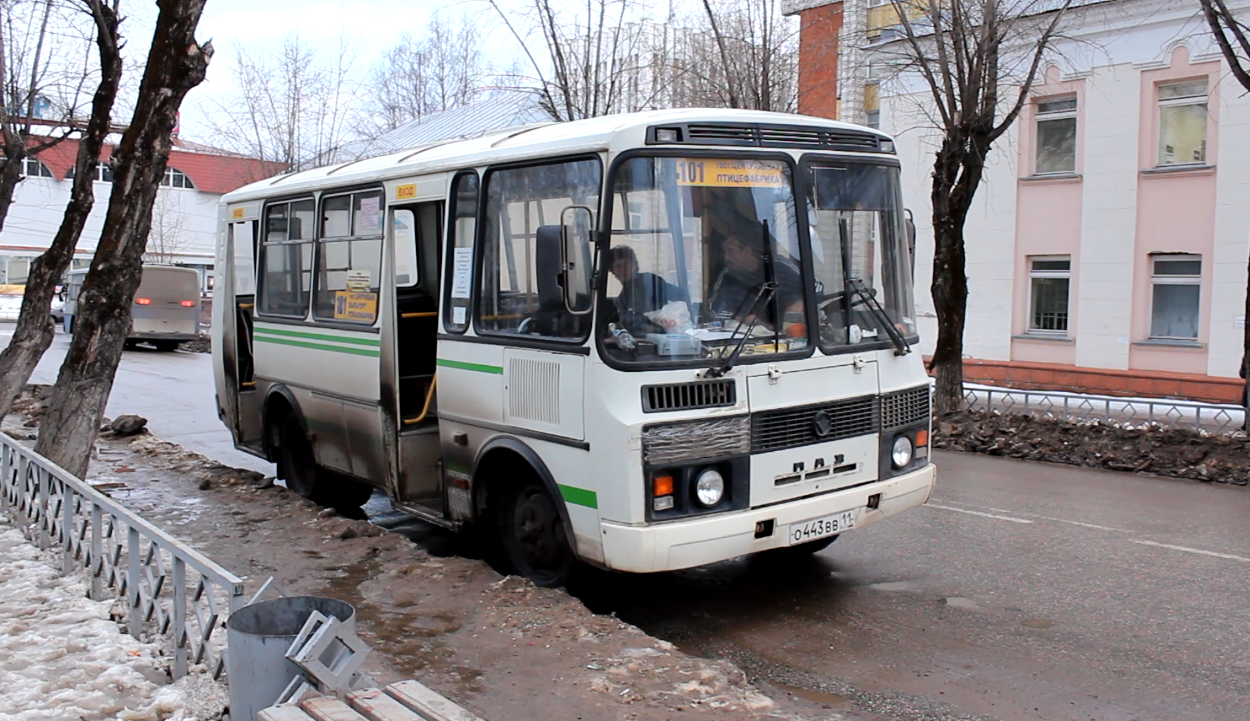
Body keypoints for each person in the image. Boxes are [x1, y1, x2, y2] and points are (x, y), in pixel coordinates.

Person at [708, 233, 804, 329]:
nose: (726, 258)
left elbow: (815, 290)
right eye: (725, 252)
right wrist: (741, 319)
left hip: (786, 336)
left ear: (747, 252)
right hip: (747, 339)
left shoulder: (779, 266)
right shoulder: (727, 276)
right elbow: (714, 312)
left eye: (731, 252)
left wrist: (799, 304)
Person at [609, 245, 672, 323]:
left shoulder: (649, 281)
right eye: (618, 266)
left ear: (635, 265)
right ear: (612, 271)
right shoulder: (624, 295)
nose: (622, 269)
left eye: (626, 264)